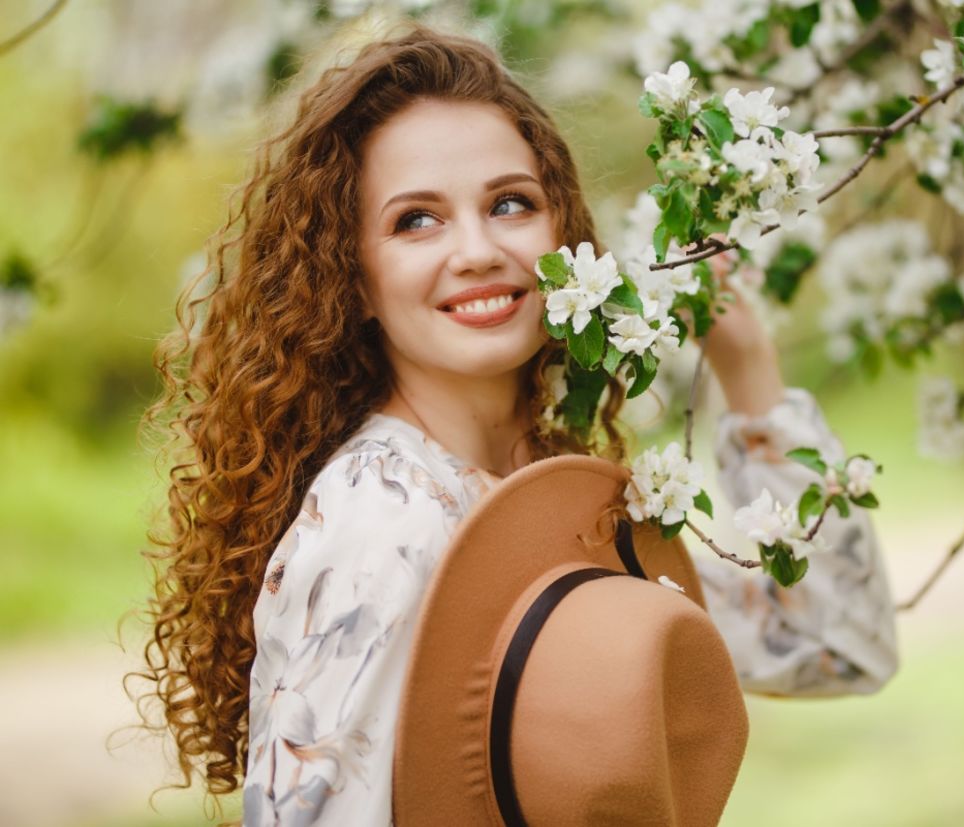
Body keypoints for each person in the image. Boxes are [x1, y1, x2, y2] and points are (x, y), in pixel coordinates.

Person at [133, 22, 898, 827]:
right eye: (415, 220)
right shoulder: (382, 521)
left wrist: (747, 367)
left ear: (561, 231)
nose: (477, 250)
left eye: (510, 203)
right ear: (351, 278)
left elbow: (838, 645)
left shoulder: (573, 500)